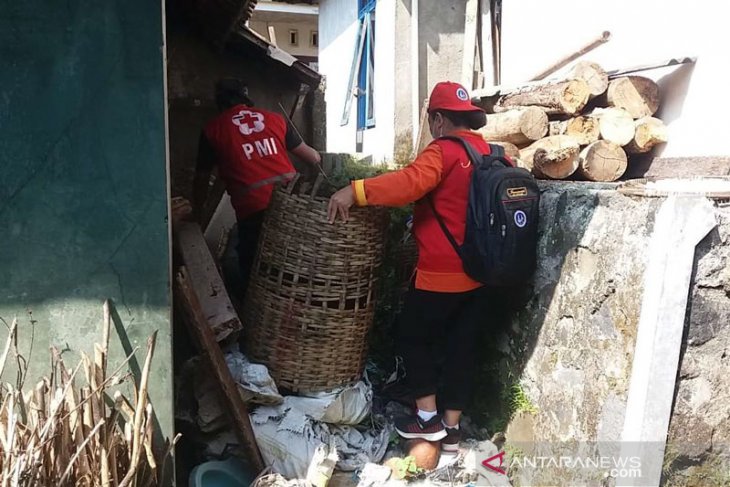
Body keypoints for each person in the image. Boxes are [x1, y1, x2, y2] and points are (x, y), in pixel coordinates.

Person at [328, 81, 510, 452]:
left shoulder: (442, 151)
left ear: (438, 119)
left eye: (431, 120)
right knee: (463, 346)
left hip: (442, 274)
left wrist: (355, 191)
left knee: (413, 336)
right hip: (485, 273)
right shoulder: (494, 154)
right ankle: (452, 428)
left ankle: (426, 421)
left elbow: (408, 185)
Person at [194, 78, 321, 294]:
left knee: (251, 269)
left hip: (253, 212)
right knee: (293, 265)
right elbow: (313, 157)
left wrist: (196, 214)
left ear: (220, 103)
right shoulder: (275, 119)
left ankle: (253, 311)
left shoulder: (212, 130)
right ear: (246, 98)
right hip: (290, 207)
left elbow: (201, 182)